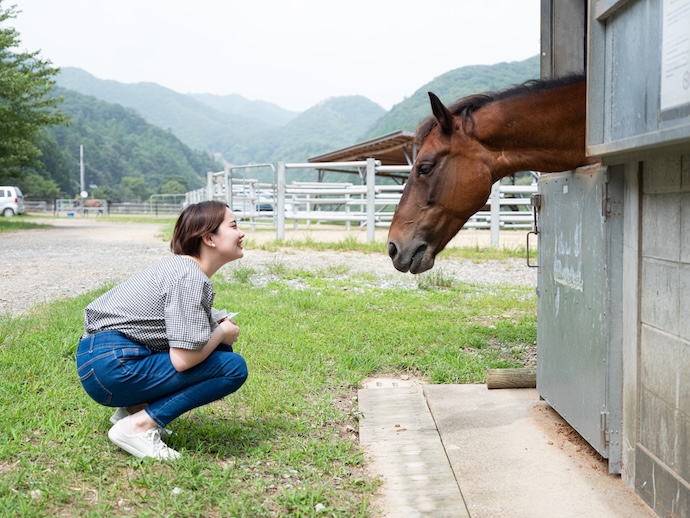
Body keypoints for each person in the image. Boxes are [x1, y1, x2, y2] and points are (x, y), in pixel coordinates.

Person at [76, 201, 248, 461]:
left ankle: (134, 410)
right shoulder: (188, 277)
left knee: (218, 348)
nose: (241, 233)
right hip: (113, 367)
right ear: (209, 238)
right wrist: (222, 332)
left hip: (101, 360)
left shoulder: (180, 268)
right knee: (232, 366)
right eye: (234, 225)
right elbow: (183, 361)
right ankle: (137, 426)